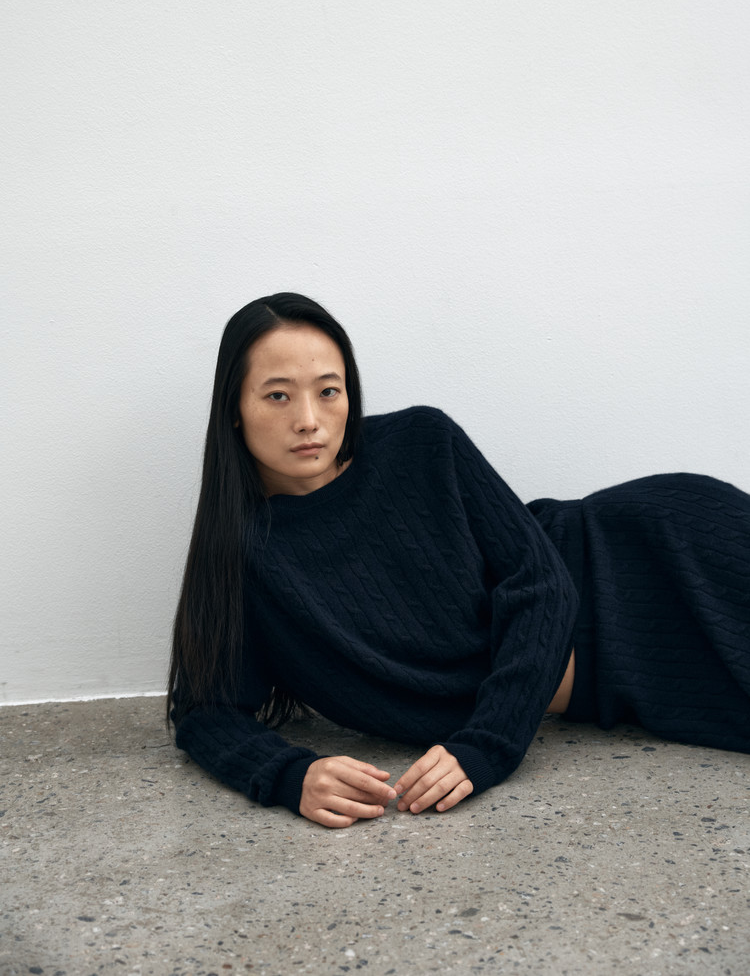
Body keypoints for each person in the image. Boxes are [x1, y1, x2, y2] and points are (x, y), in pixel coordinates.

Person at [168, 292, 750, 829]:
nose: (309, 420)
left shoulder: (420, 443)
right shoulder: (243, 559)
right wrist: (290, 776)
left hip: (653, 553)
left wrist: (487, 743)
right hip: (623, 683)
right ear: (235, 408)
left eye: (328, 391)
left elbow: (543, 585)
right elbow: (204, 710)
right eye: (277, 395)